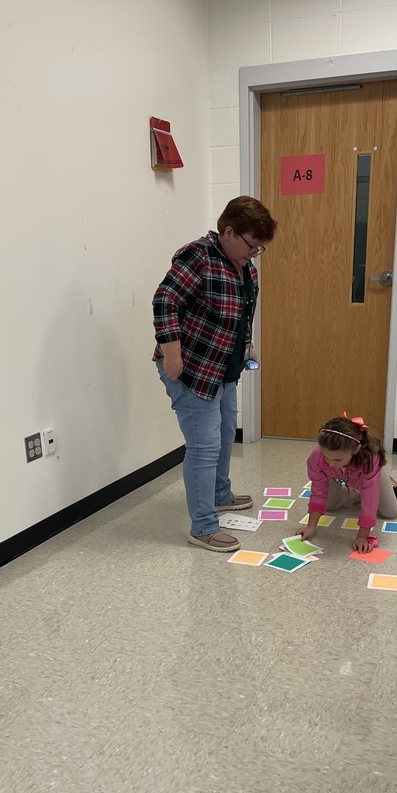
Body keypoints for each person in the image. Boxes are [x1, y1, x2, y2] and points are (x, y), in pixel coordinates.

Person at [153, 196, 278, 552]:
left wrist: (247, 346)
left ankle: (220, 494)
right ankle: (203, 527)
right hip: (192, 369)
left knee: (225, 433)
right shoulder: (199, 257)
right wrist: (172, 356)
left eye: (260, 248)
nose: (254, 254)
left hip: (223, 367)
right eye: (251, 245)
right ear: (229, 232)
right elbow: (164, 301)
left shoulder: (244, 266)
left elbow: (242, 312)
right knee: (204, 446)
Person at [297, 413, 397, 553]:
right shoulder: (317, 456)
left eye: (337, 459)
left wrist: (362, 536)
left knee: (390, 512)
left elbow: (370, 497)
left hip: (369, 475)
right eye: (326, 458)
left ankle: (386, 481)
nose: (330, 463)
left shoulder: (370, 458)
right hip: (338, 476)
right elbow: (318, 490)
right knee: (330, 505)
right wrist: (311, 527)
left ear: (355, 449)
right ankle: (356, 491)